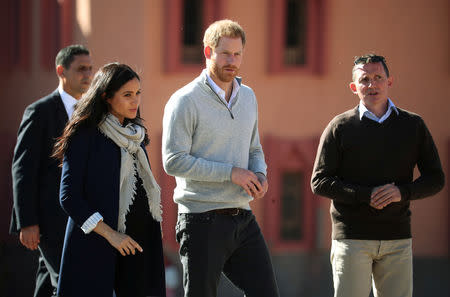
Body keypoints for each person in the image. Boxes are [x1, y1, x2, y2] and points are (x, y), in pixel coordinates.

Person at [162, 19, 279, 297]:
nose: (232, 61)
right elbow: (173, 160)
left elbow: (254, 148)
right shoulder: (184, 100)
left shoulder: (248, 97)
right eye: (225, 53)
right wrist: (231, 173)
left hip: (243, 218)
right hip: (200, 219)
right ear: (207, 52)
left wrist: (259, 173)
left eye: (237, 54)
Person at [311, 54, 445, 297]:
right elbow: (319, 182)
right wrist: (366, 195)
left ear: (389, 81)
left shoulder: (413, 125)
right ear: (354, 87)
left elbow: (436, 178)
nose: (372, 85)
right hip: (351, 239)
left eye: (378, 78)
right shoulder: (339, 127)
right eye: (364, 80)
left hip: (397, 239)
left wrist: (402, 192)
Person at [52, 63, 166, 297]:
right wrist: (112, 235)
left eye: (137, 94)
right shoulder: (85, 135)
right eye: (127, 95)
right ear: (106, 97)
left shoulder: (136, 136)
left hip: (137, 246)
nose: (135, 101)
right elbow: (69, 197)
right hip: (97, 245)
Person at [10, 44, 93, 297]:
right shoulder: (39, 112)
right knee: (68, 283)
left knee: (49, 282)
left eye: (90, 69)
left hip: (81, 217)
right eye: (81, 69)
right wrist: (27, 221)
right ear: (61, 71)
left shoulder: (92, 113)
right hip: (49, 222)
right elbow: (23, 169)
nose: (88, 75)